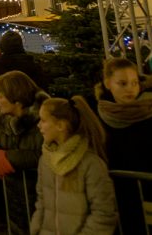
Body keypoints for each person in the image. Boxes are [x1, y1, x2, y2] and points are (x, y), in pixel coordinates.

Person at [95, 57, 152, 232]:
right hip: (118, 201)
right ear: (108, 83)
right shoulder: (100, 116)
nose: (130, 89)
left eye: (134, 83)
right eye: (122, 84)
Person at [0, 70, 48, 234]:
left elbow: (46, 153)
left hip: (46, 199)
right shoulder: (1, 121)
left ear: (16, 96)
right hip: (14, 203)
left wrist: (7, 157)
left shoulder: (47, 118)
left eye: (0, 95)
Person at [31, 96, 117, 234]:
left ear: (60, 125)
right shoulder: (46, 161)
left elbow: (103, 213)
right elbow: (42, 202)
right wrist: (36, 230)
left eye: (43, 120)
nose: (39, 125)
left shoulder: (90, 163)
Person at [0, 30, 49, 121]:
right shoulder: (35, 67)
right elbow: (43, 89)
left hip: (4, 120)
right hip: (33, 118)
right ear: (21, 45)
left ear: (2, 47)